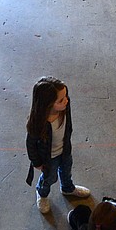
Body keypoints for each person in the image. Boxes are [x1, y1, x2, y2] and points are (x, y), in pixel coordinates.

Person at [25, 76, 90, 214]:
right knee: (50, 177)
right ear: (47, 104)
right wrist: (36, 162)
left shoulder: (65, 106)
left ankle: (67, 188)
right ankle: (42, 193)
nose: (66, 100)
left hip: (65, 150)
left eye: (66, 95)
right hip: (49, 158)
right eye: (61, 100)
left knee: (66, 170)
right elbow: (30, 144)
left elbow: (68, 124)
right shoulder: (38, 122)